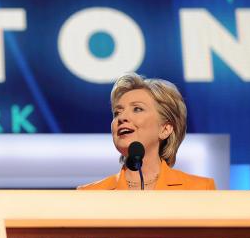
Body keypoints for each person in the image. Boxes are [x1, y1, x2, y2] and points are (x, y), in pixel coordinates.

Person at [78, 73, 215, 190]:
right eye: (117, 113)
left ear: (165, 129)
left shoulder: (199, 189)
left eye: (137, 109)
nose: (122, 118)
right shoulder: (90, 194)